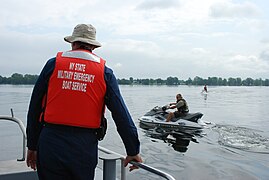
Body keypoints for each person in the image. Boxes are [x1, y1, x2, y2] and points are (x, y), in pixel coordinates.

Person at [26, 24, 142, 180]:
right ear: (93, 46)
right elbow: (121, 114)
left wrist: (32, 145)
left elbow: (35, 107)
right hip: (83, 147)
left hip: (51, 142)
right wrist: (132, 150)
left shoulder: (52, 65)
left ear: (73, 43)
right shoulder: (105, 72)